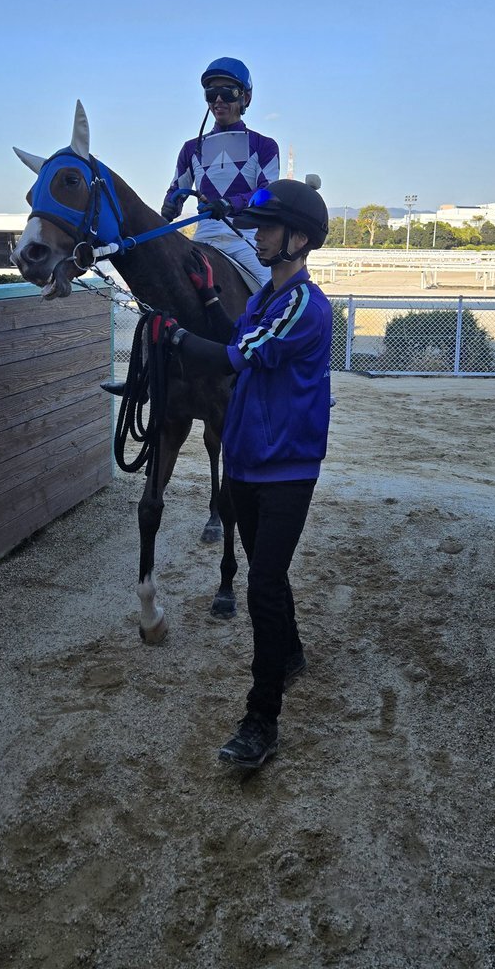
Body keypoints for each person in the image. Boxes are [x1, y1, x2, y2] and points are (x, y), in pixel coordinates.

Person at [153, 179, 332, 769]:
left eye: (267, 228)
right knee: (266, 574)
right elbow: (235, 333)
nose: (256, 236)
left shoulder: (306, 306)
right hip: (247, 462)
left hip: (287, 471)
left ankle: (262, 720)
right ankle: (294, 653)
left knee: (261, 584)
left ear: (298, 239)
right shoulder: (262, 301)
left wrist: (175, 336)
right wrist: (204, 303)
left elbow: (236, 355)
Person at [161, 57, 280, 288]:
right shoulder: (190, 148)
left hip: (244, 236)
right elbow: (177, 189)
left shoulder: (264, 145)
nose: (218, 100)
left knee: (274, 292)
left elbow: (267, 193)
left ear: (245, 97)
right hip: (204, 236)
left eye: (227, 92)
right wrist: (164, 213)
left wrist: (228, 204)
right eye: (211, 92)